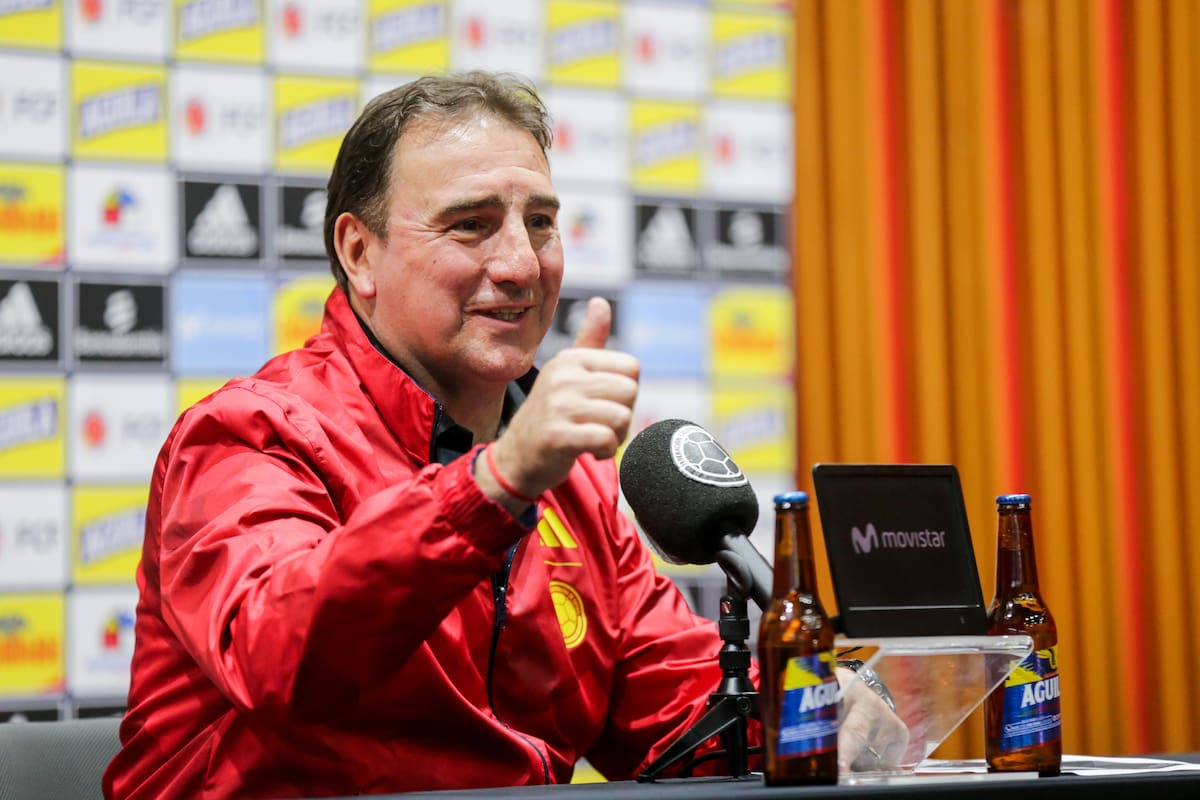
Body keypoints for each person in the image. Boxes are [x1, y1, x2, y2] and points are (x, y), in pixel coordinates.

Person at [103, 71, 905, 800]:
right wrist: (497, 482)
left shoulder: (571, 484)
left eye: (541, 221)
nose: (523, 263)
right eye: (471, 225)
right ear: (359, 253)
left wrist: (808, 718)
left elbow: (674, 719)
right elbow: (280, 656)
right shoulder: (248, 434)